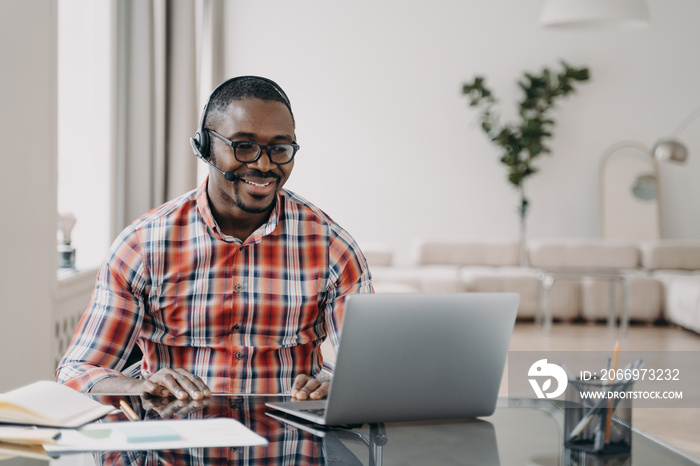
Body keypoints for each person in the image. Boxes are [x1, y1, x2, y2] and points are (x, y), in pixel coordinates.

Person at [56, 76, 373, 402]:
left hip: (290, 448)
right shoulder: (142, 247)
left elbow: (373, 375)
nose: (263, 165)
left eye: (279, 149)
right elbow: (77, 373)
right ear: (204, 147)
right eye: (244, 146)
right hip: (175, 447)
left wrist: (340, 387)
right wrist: (137, 386)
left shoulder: (332, 248)